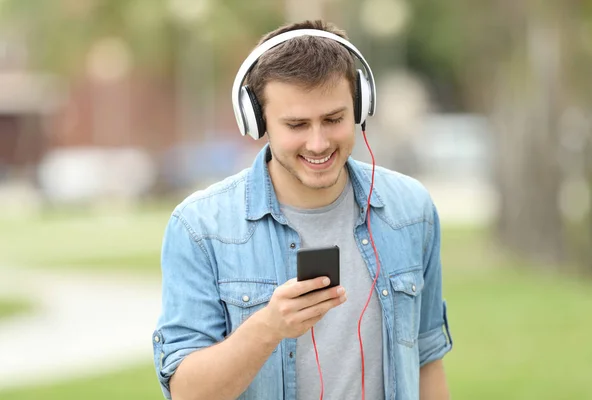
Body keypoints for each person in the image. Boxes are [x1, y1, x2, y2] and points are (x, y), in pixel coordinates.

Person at [152, 20, 453, 400]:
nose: (318, 142)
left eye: (333, 119)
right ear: (257, 121)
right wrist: (269, 327)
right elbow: (187, 394)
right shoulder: (199, 228)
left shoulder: (412, 210)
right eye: (296, 124)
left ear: (360, 107)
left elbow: (427, 360)